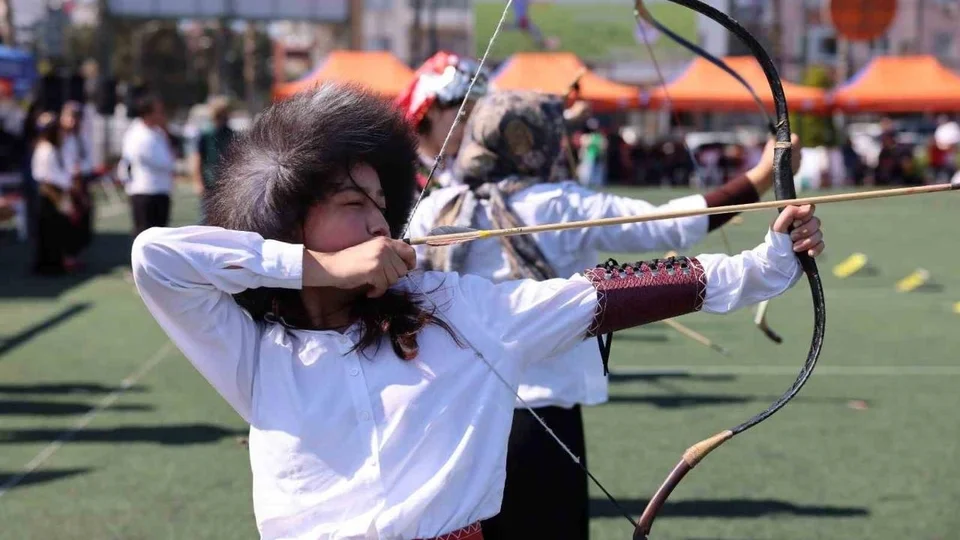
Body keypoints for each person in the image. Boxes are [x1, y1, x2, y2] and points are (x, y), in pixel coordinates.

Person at [130, 83, 824, 540]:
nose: (379, 223)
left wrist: (764, 266)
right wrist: (321, 269)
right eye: (352, 206)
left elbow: (602, 294)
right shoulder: (253, 352)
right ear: (289, 221)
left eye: (382, 206)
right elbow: (156, 259)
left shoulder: (455, 310)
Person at [406, 90, 807, 540]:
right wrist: (761, 175)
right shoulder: (558, 204)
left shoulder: (435, 209)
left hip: (457, 419)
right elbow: (669, 224)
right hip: (541, 421)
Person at [394, 51, 490, 194]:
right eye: (462, 117)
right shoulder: (398, 169)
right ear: (432, 109)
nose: (468, 129)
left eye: (474, 120)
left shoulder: (469, 166)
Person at [120, 94, 176, 238]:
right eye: (158, 111)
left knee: (161, 238)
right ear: (147, 114)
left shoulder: (158, 132)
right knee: (145, 237)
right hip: (145, 193)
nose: (162, 115)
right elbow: (165, 162)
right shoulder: (137, 135)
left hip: (161, 191)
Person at [31, 112, 79, 275]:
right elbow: (45, 180)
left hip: (58, 193)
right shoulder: (44, 150)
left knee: (58, 231)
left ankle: (57, 263)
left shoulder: (56, 148)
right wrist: (59, 200)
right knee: (48, 232)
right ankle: (47, 266)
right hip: (49, 195)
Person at [190, 96, 235, 221]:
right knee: (206, 218)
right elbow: (197, 158)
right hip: (209, 181)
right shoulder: (205, 133)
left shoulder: (230, 134)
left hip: (227, 183)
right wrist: (197, 181)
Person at [60, 101, 95, 256]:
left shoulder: (82, 137)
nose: (73, 121)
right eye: (70, 117)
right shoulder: (59, 137)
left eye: (77, 117)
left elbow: (89, 161)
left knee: (83, 220)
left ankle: (76, 252)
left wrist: (80, 169)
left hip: (81, 182)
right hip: (65, 184)